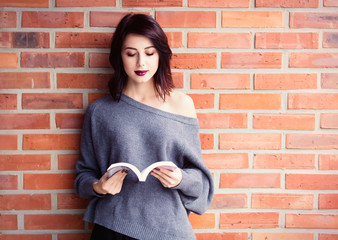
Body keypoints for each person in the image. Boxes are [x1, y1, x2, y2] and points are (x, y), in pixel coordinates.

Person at [74, 13, 214, 240]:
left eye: (149, 53)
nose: (141, 63)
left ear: (160, 55)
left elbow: (201, 180)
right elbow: (83, 177)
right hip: (113, 228)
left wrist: (180, 179)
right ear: (119, 56)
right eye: (131, 54)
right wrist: (98, 187)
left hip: (169, 229)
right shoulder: (100, 111)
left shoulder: (182, 104)